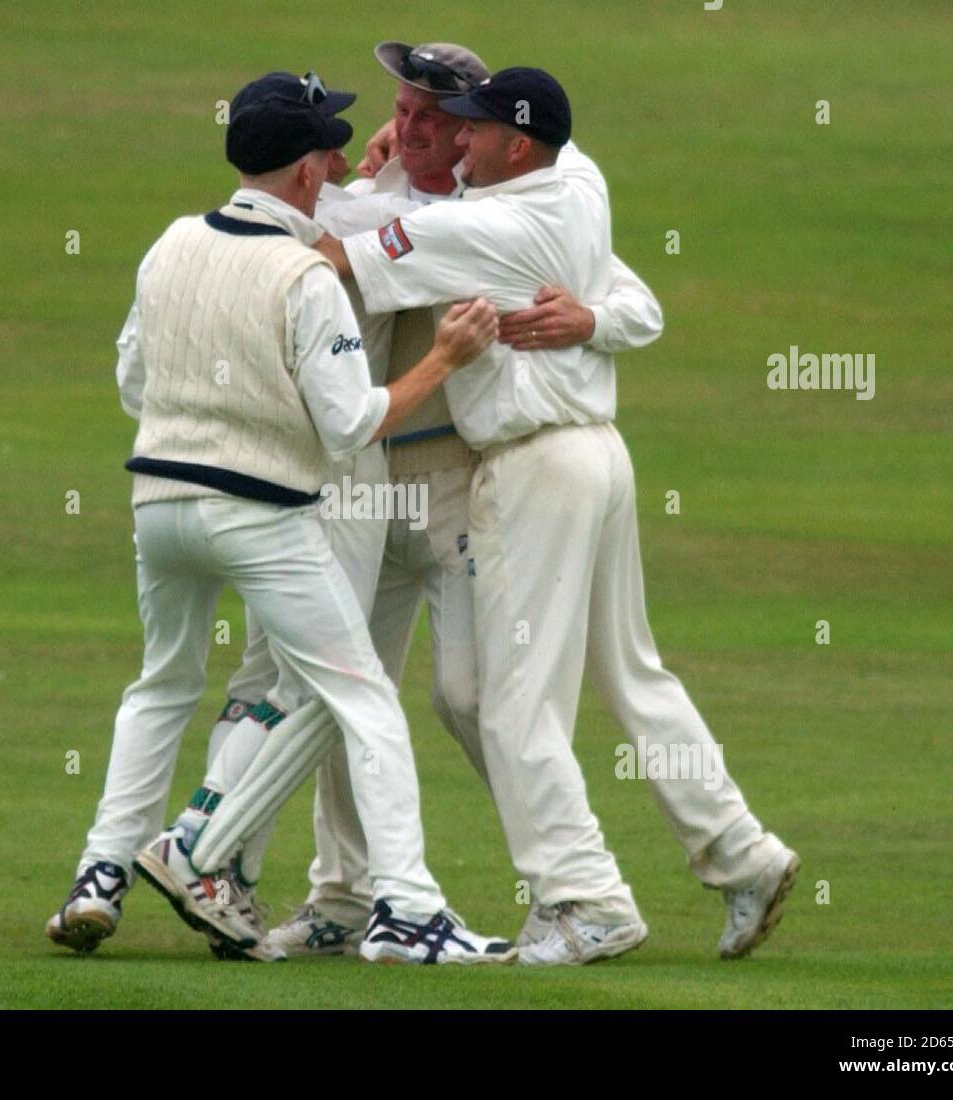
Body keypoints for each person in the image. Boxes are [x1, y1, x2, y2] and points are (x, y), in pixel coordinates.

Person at [316, 67, 799, 965]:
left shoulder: (476, 224)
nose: (455, 140)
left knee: (512, 702)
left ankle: (585, 900)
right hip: (600, 457)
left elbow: (337, 251)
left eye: (472, 129)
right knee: (631, 674)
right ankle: (743, 854)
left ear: (518, 146)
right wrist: (594, 319)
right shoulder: (580, 185)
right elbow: (641, 303)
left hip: (535, 466)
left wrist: (368, 185)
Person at [45, 69, 514, 966]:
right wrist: (446, 355)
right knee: (364, 699)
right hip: (259, 515)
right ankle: (406, 911)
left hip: (157, 508)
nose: (343, 158)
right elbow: (351, 424)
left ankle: (100, 874)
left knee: (162, 685)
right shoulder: (305, 276)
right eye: (328, 149)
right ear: (304, 174)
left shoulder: (170, 244)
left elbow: (133, 383)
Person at [264, 40, 667, 959]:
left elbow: (636, 300)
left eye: (437, 122)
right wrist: (365, 183)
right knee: (345, 686)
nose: (410, 130)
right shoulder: (390, 196)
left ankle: (579, 885)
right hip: (362, 483)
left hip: (459, 480)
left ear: (485, 140)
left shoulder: (507, 213)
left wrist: (594, 318)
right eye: (401, 112)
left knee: (477, 693)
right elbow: (321, 239)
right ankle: (343, 895)